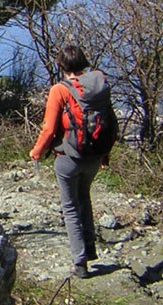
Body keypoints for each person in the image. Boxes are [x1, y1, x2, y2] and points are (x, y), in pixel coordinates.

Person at [29, 45, 112, 279]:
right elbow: (108, 121)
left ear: (61, 66)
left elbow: (49, 128)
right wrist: (105, 154)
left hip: (68, 158)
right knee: (84, 198)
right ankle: (90, 249)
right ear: (84, 63)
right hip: (94, 156)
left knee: (70, 207)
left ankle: (80, 262)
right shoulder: (99, 85)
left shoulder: (60, 90)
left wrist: (36, 152)